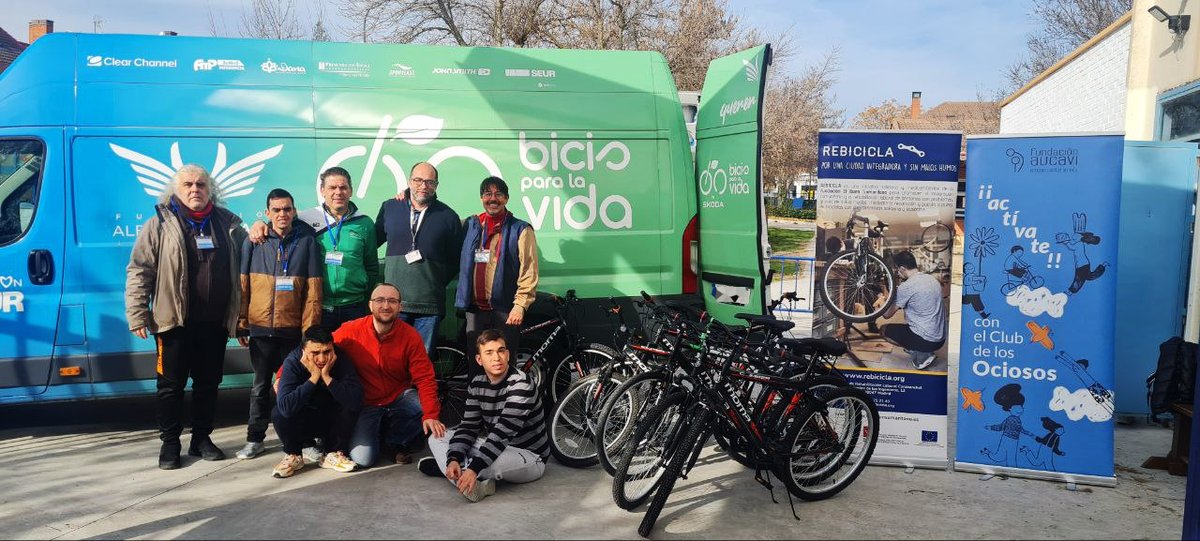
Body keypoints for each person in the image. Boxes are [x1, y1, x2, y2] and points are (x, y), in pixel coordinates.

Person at [125, 164, 247, 470]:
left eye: (201, 184)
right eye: (188, 184)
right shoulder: (160, 224)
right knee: (171, 386)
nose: (195, 189)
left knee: (208, 384)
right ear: (176, 190)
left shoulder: (227, 224)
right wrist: (138, 313)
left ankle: (201, 439)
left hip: (214, 323)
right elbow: (140, 269)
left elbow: (251, 258)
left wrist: (259, 228)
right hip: (173, 323)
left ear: (211, 190)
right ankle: (170, 445)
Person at [235, 188, 324, 460]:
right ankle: (255, 439)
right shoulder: (254, 241)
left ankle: (305, 440)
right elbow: (243, 286)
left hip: (293, 331)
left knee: (297, 388)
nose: (282, 214)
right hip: (261, 329)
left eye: (287, 209)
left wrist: (309, 333)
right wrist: (242, 322)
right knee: (260, 387)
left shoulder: (307, 241)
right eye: (276, 210)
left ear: (294, 210)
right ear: (267, 213)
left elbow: (313, 292)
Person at [419, 329, 549, 502]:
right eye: (489, 352)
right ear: (479, 360)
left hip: (529, 456)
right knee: (437, 438)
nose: (496, 358)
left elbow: (502, 433)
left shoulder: (521, 383)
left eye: (501, 351)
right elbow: (468, 427)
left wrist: (473, 468)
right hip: (496, 445)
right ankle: (458, 471)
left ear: (508, 355)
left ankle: (454, 471)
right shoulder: (477, 384)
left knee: (493, 461)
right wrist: (453, 458)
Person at [250, 167, 380, 333]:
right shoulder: (306, 218)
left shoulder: (364, 223)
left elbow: (371, 266)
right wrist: (259, 223)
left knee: (352, 358)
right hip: (319, 307)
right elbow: (280, 223)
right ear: (322, 191)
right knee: (320, 357)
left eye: (343, 187)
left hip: (354, 307)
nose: (338, 192)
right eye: (332, 188)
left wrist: (363, 297)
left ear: (350, 191)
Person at [335, 283, 446, 468]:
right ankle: (379, 434)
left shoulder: (410, 336)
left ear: (400, 307)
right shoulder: (351, 330)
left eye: (392, 301)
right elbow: (318, 347)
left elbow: (425, 377)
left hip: (398, 396)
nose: (386, 306)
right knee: (362, 459)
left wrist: (431, 415)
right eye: (380, 300)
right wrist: (282, 374)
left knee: (426, 408)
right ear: (370, 305)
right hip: (367, 402)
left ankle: (393, 441)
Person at [375, 162, 463, 354]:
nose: (423, 186)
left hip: (429, 307)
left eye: (430, 182)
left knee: (421, 364)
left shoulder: (448, 216)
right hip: (394, 304)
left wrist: (435, 280)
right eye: (418, 180)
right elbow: (372, 243)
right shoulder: (390, 207)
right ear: (409, 181)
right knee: (391, 361)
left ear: (436, 185)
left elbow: (456, 260)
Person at [455, 177, 539, 354]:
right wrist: (409, 197)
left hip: (505, 312)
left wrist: (520, 306)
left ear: (506, 198)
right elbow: (438, 226)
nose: (493, 199)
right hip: (475, 312)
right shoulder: (470, 225)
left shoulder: (522, 230)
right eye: (487, 194)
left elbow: (529, 271)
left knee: (503, 364)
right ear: (481, 199)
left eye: (498, 194)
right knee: (476, 363)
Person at [270, 326, 363, 478]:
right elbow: (285, 408)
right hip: (304, 422)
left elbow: (356, 401)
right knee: (279, 412)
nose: (321, 359)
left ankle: (332, 454)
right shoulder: (293, 361)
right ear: (304, 351)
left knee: (348, 403)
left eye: (326, 352)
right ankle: (294, 455)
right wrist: (313, 378)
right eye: (315, 353)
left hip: (332, 421)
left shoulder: (341, 358)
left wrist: (326, 377)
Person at [879, 250, 946, 370]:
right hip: (940, 339)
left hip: (926, 340)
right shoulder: (931, 279)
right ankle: (921, 348)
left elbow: (887, 315)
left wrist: (882, 299)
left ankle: (921, 354)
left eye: (897, 269)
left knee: (884, 330)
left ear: (902, 268)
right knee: (909, 325)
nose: (897, 273)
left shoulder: (907, 286)